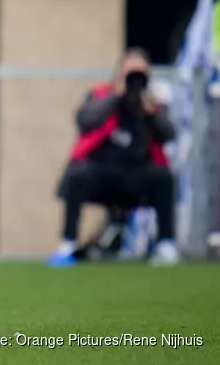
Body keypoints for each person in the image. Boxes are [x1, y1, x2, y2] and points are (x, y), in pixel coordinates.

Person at [48, 48, 180, 267]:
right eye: (131, 73)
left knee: (163, 177)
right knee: (77, 173)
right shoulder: (102, 95)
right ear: (119, 72)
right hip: (102, 172)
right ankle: (68, 242)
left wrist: (151, 112)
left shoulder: (153, 103)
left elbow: (169, 134)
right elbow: (85, 122)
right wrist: (116, 97)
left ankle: (166, 244)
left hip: (137, 173)